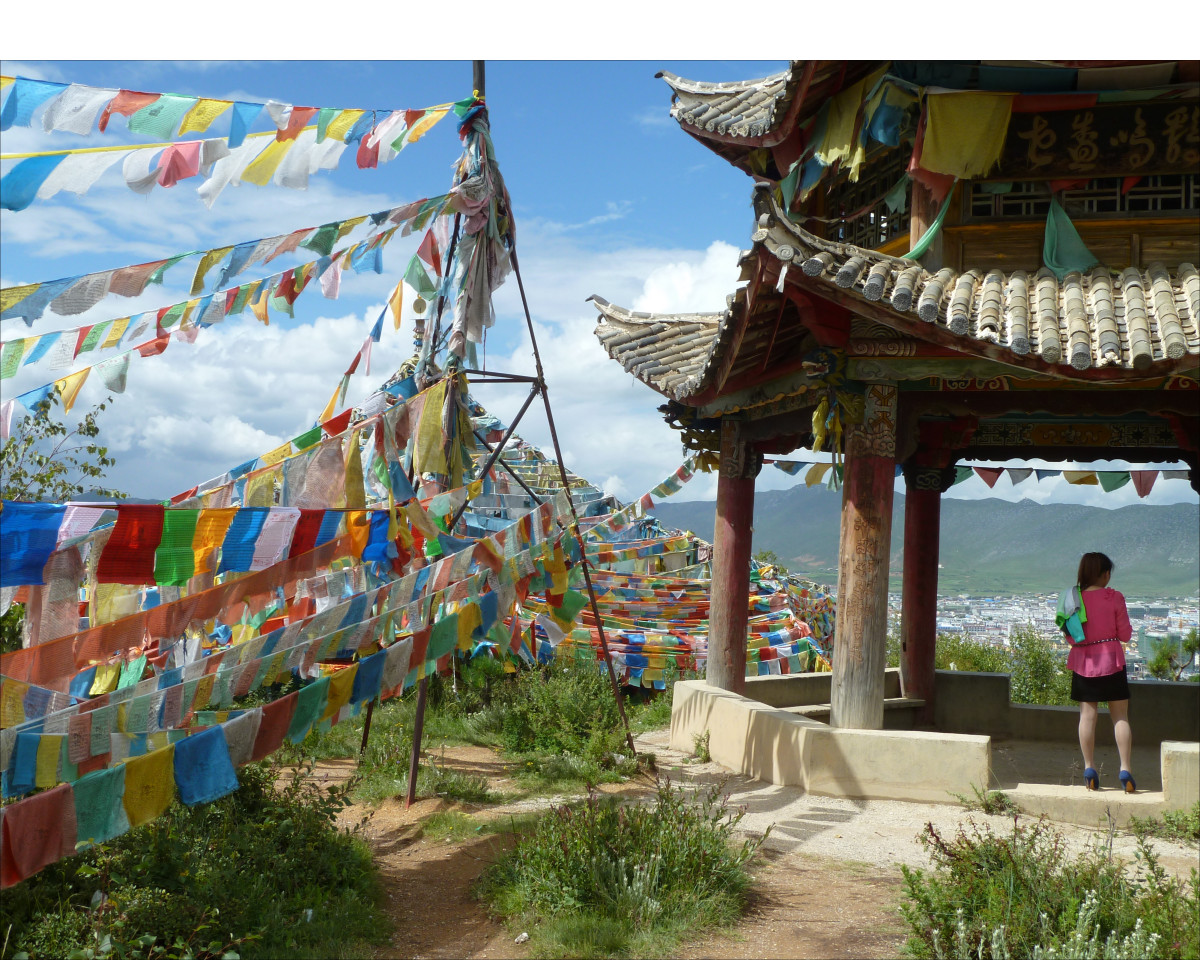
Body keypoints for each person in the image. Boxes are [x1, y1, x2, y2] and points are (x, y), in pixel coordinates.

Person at [1065, 552, 1135, 792]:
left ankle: (1089, 767)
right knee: (1120, 717)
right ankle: (1125, 769)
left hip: (1083, 662)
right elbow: (1125, 635)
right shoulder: (1114, 597)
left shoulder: (1073, 599)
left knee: (1087, 717)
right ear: (1105, 574)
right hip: (1112, 661)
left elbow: (1069, 637)